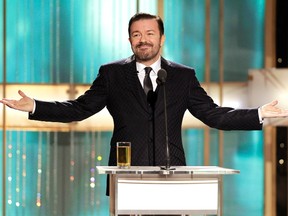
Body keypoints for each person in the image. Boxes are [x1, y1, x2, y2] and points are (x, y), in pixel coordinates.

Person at [1, 12, 288, 169]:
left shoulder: (182, 76)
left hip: (172, 171)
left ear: (161, 39)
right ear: (129, 40)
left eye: (150, 34)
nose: (143, 40)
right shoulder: (111, 74)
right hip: (124, 172)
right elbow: (80, 109)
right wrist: (35, 107)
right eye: (137, 34)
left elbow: (213, 115)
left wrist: (259, 113)